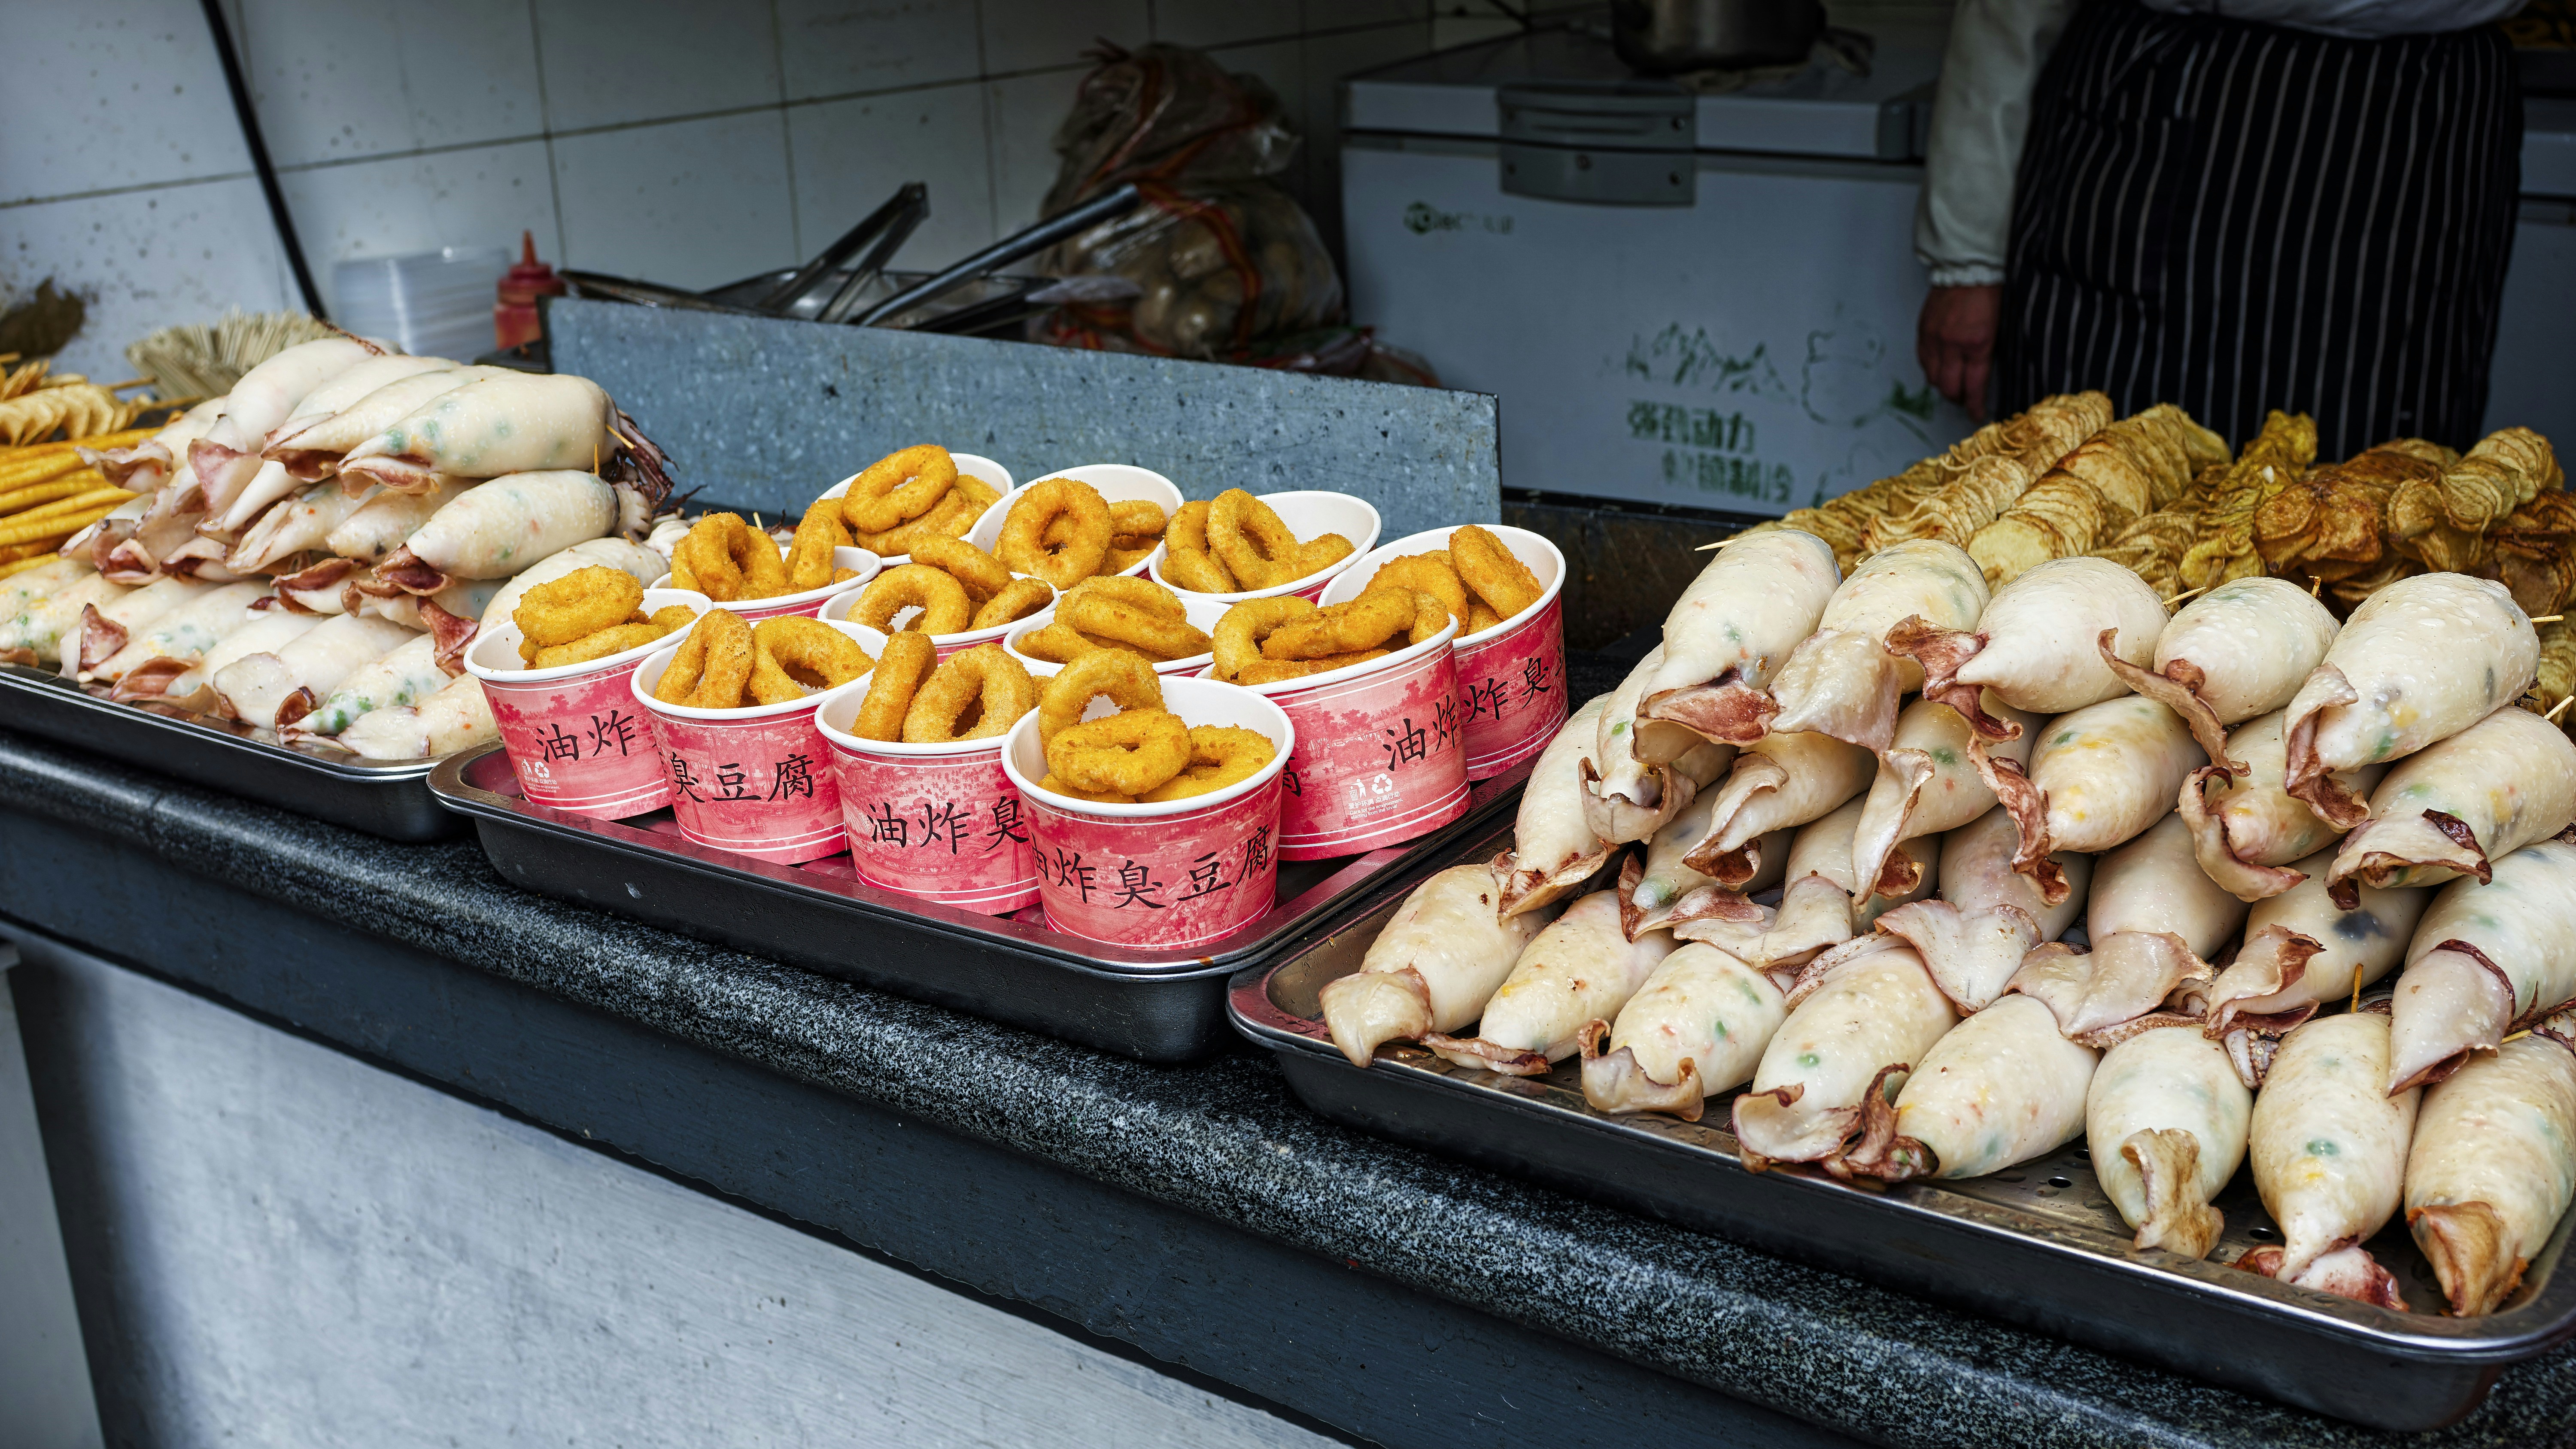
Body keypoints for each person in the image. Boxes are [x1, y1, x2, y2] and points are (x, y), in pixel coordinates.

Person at [1914, 0, 2525, 456]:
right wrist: (1970, 257)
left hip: (2414, 123)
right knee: (2092, 470)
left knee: (2369, 503)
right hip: (2162, 103)